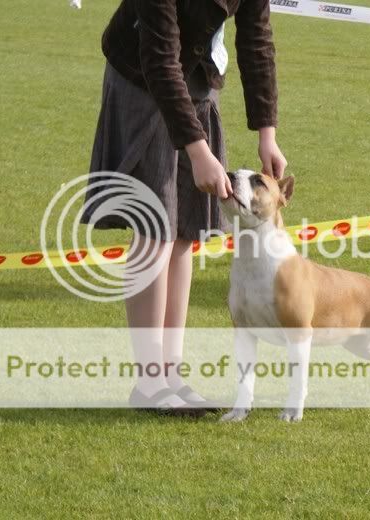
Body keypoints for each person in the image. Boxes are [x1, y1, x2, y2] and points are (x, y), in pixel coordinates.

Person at [81, 0, 287, 415]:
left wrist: (267, 134)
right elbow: (159, 58)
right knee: (155, 225)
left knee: (186, 230)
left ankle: (170, 376)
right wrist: (198, 151)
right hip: (142, 78)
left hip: (197, 78)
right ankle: (150, 383)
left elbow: (256, 40)